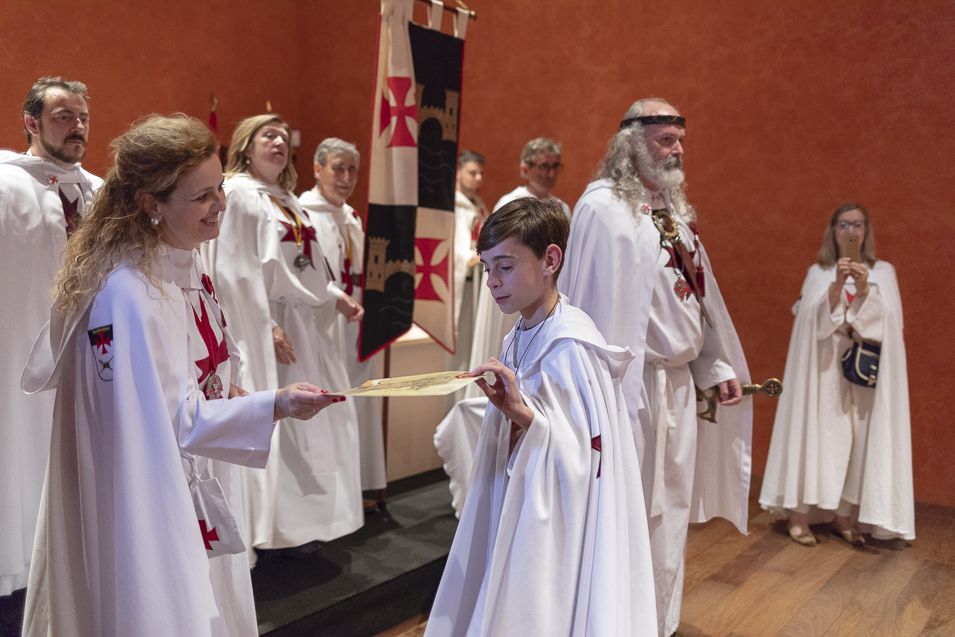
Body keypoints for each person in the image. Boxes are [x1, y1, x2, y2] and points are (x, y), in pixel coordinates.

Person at [19, 114, 342, 636]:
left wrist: (235, 391)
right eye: (203, 196)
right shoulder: (130, 294)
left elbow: (208, 363)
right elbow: (172, 421)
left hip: (198, 472)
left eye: (220, 188)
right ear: (151, 204)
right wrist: (273, 404)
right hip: (152, 495)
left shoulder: (182, 261)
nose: (221, 204)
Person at [559, 98, 751, 637]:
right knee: (622, 509)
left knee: (667, 513)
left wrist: (714, 364)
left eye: (680, 140)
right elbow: (587, 304)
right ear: (632, 144)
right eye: (667, 140)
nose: (678, 150)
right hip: (627, 387)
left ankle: (657, 622)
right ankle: (611, 621)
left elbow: (697, 301)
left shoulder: (675, 215)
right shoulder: (600, 210)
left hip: (676, 387)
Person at [426, 197, 657, 636]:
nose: (492, 282)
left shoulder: (570, 345)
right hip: (519, 500)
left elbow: (585, 461)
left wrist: (525, 417)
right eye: (487, 267)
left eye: (506, 267)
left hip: (554, 527)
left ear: (551, 259)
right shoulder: (523, 330)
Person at [203, 115, 365, 550]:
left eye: (281, 136)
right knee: (277, 418)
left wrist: (333, 295)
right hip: (262, 323)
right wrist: (266, 324)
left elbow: (307, 267)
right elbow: (233, 271)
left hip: (303, 324)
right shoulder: (237, 194)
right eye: (266, 135)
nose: (277, 141)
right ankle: (269, 529)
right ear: (246, 145)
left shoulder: (288, 199)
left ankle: (305, 526)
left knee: (313, 424)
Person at [759, 203, 914, 546]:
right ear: (833, 230)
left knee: (857, 443)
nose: (850, 231)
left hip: (862, 372)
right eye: (843, 224)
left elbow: (890, 323)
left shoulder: (884, 272)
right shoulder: (818, 272)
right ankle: (799, 516)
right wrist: (835, 285)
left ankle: (844, 516)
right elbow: (807, 321)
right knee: (817, 438)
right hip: (824, 371)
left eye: (858, 225)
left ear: (866, 230)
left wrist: (863, 291)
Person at [0, 76, 102, 597]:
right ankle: (16, 576)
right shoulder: (3, 183)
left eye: (82, 117)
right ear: (32, 122)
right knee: (18, 457)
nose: (77, 126)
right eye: (64, 116)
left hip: (90, 358)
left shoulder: (102, 191)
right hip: (15, 351)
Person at [299, 138, 386, 497]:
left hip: (356, 322)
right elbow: (304, 272)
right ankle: (330, 491)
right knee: (329, 399)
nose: (347, 177)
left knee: (358, 400)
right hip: (323, 321)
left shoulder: (351, 216)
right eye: (338, 167)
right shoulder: (302, 213)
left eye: (353, 170)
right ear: (318, 169)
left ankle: (359, 484)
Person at [467, 138, 569, 392]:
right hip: (514, 294)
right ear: (525, 169)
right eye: (543, 166)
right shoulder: (512, 203)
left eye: (555, 166)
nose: (549, 173)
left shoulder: (562, 208)